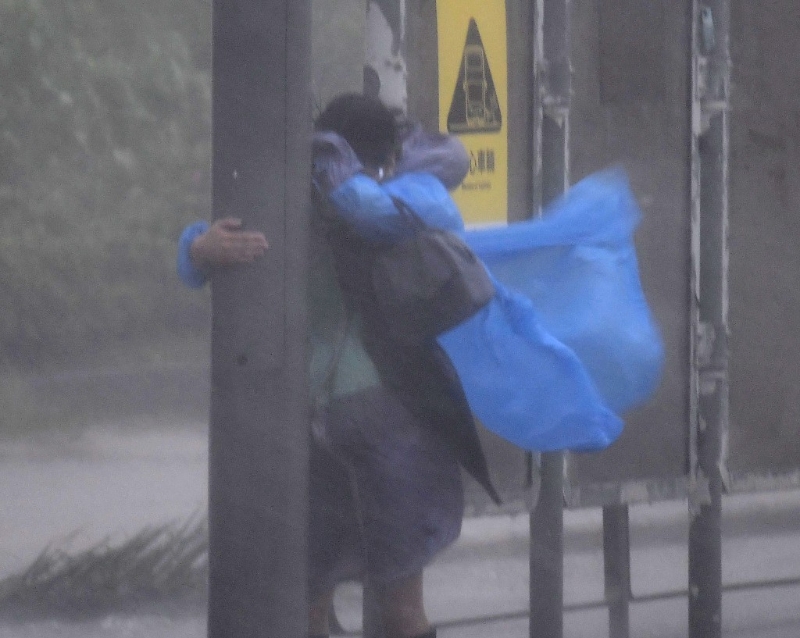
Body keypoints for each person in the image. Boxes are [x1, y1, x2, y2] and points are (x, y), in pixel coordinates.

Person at [177, 93, 498, 638]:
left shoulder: (290, 199)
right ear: (383, 157)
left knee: (310, 596)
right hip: (387, 418)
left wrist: (196, 249)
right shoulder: (396, 208)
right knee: (399, 605)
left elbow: (210, 247)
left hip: (311, 419)